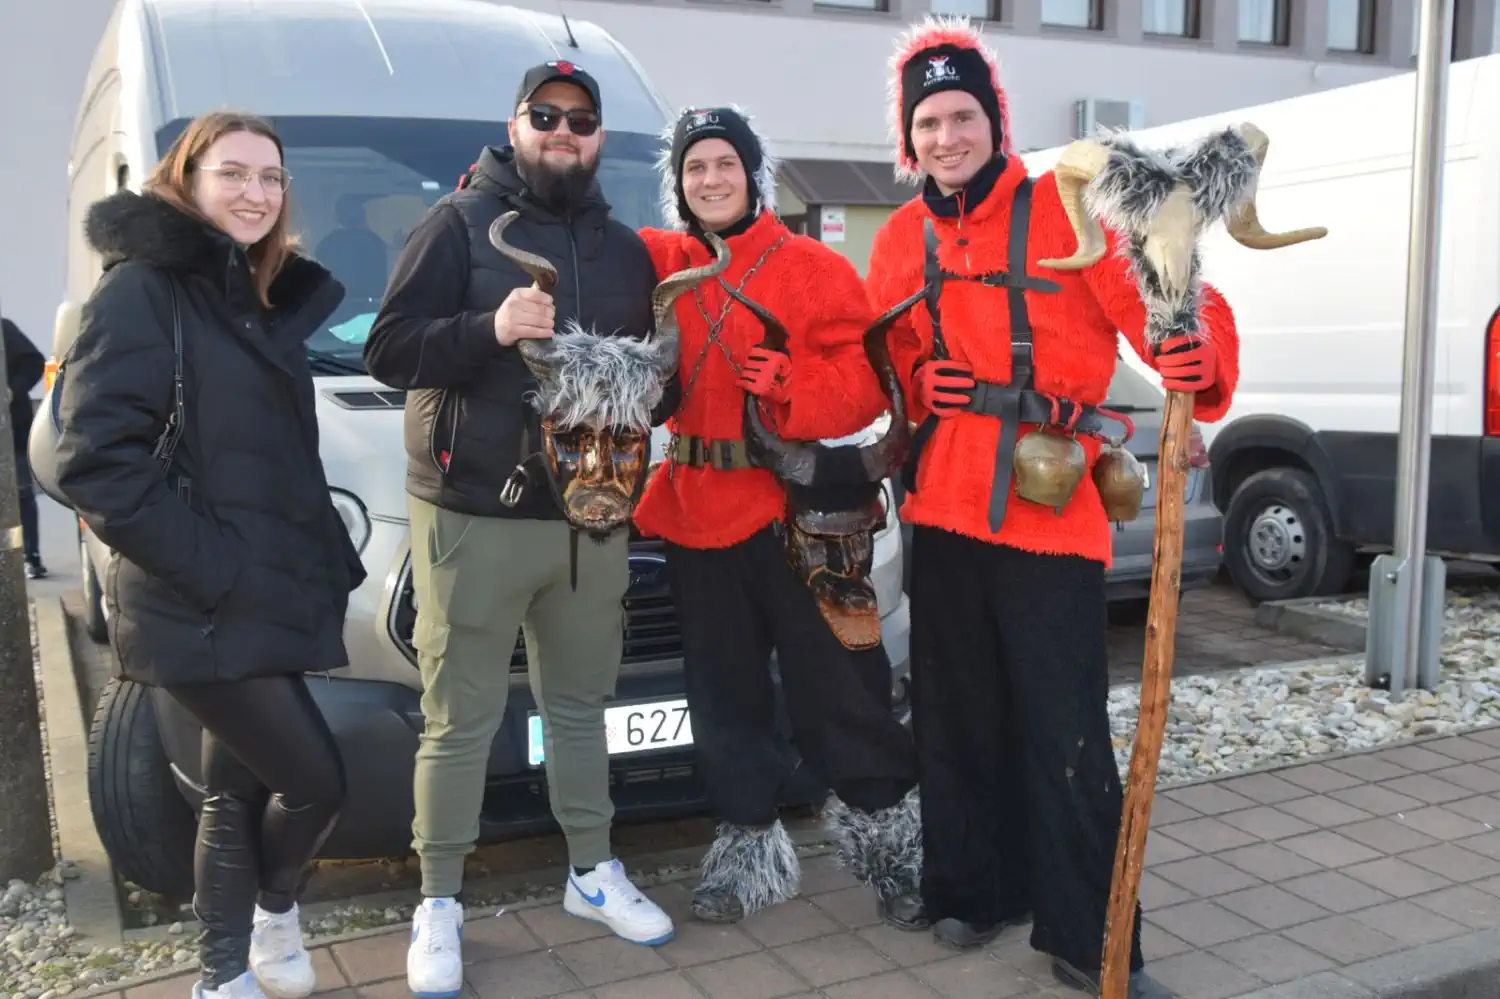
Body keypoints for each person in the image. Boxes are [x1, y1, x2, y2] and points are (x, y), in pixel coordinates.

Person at [865, 15, 1240, 994]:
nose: (947, 138)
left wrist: (1194, 354)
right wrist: (917, 389)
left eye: (962, 117)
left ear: (994, 120)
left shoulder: (1068, 206)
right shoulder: (902, 237)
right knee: (953, 715)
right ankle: (972, 889)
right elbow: (888, 359)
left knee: (1064, 728)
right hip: (944, 507)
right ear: (910, 141)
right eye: (929, 124)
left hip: (1050, 508)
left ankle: (1089, 935)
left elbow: (1173, 297)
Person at [362, 60, 675, 997]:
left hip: (593, 521)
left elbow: (654, 385)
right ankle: (441, 901)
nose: (564, 132)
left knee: (582, 706)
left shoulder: (626, 250)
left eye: (582, 120)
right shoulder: (460, 223)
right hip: (475, 517)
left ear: (598, 137)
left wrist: (660, 377)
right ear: (517, 123)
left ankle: (591, 870)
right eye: (547, 115)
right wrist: (489, 327)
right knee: (459, 720)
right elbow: (388, 351)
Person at [51, 111, 364, 999]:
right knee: (315, 781)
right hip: (200, 596)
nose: (256, 193)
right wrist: (214, 566)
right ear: (185, 180)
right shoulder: (143, 289)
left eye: (271, 178)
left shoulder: (252, 296)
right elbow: (95, 462)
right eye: (234, 173)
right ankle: (273, 913)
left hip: (261, 587)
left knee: (235, 786)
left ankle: (225, 972)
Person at [634, 105, 925, 929]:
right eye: (695, 168)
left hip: (798, 516)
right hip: (695, 516)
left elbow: (866, 384)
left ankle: (895, 853)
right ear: (678, 183)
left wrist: (792, 378)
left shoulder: (811, 267)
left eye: (726, 163)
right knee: (723, 700)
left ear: (753, 174)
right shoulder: (660, 261)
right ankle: (748, 857)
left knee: (844, 691)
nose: (711, 180)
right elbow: (575, 248)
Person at [3, 313, 47, 578]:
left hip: (12, 429)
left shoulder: (3, 329)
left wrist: (12, 389)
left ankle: (31, 555)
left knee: (21, 493)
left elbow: (35, 362)